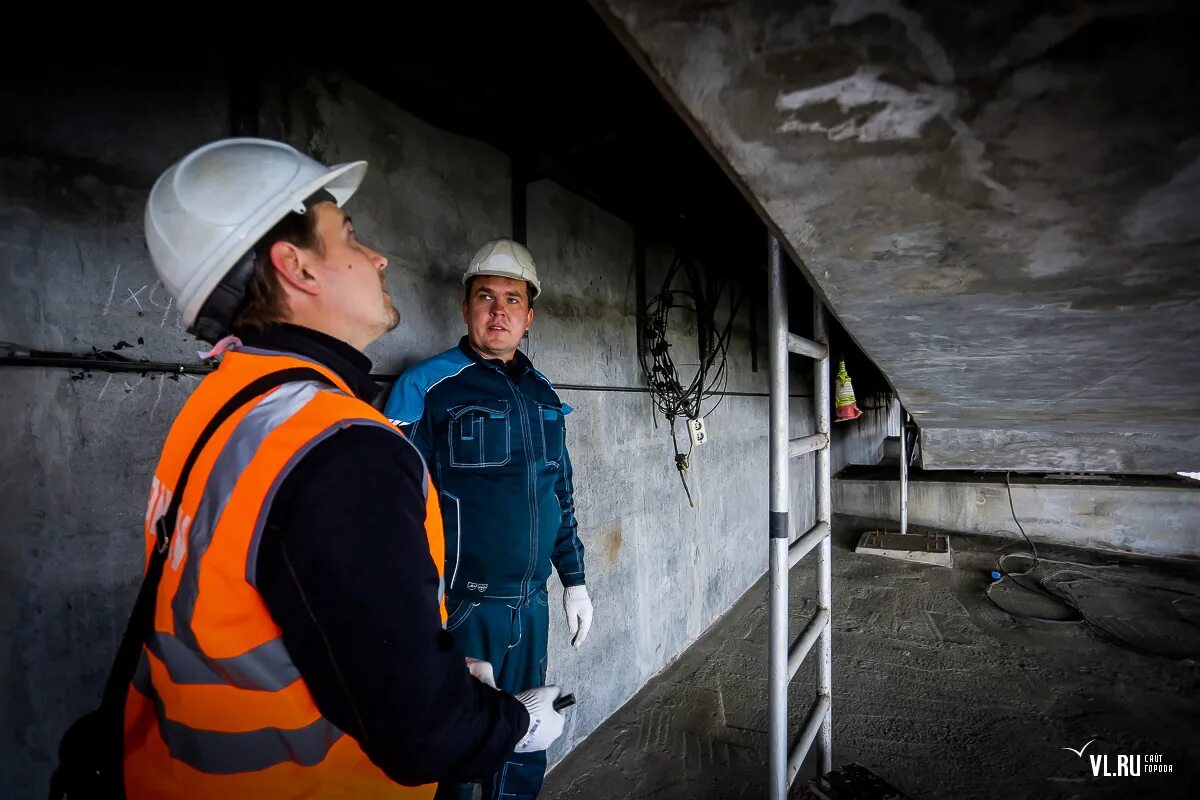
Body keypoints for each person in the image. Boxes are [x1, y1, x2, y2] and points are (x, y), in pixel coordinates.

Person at [123, 138, 564, 798]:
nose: (378, 257)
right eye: (351, 236)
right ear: (296, 266)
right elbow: (420, 727)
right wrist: (511, 722)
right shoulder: (342, 448)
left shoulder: (220, 409)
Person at [384, 238, 592, 800]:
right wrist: (418, 609)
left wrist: (573, 580)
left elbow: (559, 491)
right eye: (485, 297)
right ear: (465, 308)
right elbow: (392, 509)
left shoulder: (543, 394)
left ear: (529, 317)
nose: (499, 311)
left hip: (532, 604)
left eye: (512, 299)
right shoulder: (426, 387)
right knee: (458, 748)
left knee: (529, 740)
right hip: (463, 608)